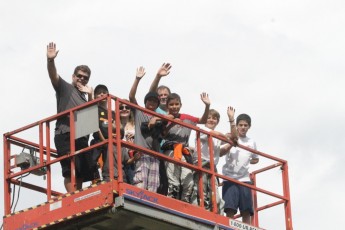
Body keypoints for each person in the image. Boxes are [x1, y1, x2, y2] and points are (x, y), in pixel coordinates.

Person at [46, 42, 93, 192]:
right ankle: (72, 196)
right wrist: (50, 60)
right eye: (79, 76)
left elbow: (90, 121)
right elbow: (53, 75)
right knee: (69, 169)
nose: (81, 79)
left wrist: (91, 95)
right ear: (73, 77)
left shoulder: (86, 98)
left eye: (85, 78)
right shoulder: (65, 88)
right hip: (65, 133)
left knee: (80, 171)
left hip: (81, 137)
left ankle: (77, 195)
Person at [161, 92, 210, 202]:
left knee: (188, 181)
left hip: (185, 152)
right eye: (171, 104)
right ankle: (172, 202)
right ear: (167, 106)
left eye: (176, 104)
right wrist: (172, 123)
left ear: (180, 105)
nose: (174, 107)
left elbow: (203, 120)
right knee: (173, 181)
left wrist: (207, 106)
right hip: (171, 150)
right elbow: (162, 134)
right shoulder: (165, 118)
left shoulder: (186, 118)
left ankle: (185, 203)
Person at [191, 108, 237, 213]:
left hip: (212, 167)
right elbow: (216, 133)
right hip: (201, 164)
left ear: (217, 121)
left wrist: (231, 119)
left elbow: (229, 142)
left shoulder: (216, 137)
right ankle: (201, 212)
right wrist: (225, 136)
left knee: (214, 196)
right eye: (209, 118)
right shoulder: (202, 130)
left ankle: (214, 214)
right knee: (201, 192)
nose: (211, 120)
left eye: (214, 118)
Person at [129, 66, 163, 192]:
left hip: (154, 153)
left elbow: (173, 118)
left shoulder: (159, 116)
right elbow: (131, 96)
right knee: (141, 181)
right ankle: (139, 200)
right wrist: (137, 79)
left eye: (155, 101)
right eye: (149, 100)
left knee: (153, 184)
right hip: (141, 152)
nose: (152, 103)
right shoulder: (139, 112)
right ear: (145, 102)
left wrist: (157, 119)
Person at [222, 113, 259, 224]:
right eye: (241, 125)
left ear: (249, 127)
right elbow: (221, 149)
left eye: (245, 125)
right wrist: (231, 119)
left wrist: (249, 161)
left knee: (246, 209)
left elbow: (256, 158)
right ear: (237, 126)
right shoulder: (229, 137)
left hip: (244, 179)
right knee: (230, 208)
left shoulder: (251, 142)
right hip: (229, 178)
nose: (243, 127)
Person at [148, 63, 172, 195]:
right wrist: (158, 77)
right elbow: (150, 93)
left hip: (168, 152)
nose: (163, 96)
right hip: (155, 149)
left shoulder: (173, 112)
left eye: (166, 95)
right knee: (158, 180)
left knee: (167, 181)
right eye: (160, 95)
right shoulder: (155, 109)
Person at [119, 99, 136, 184]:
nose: (124, 109)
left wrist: (135, 138)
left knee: (134, 182)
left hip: (134, 157)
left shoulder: (136, 124)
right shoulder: (115, 124)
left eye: (127, 107)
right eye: (121, 107)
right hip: (121, 158)